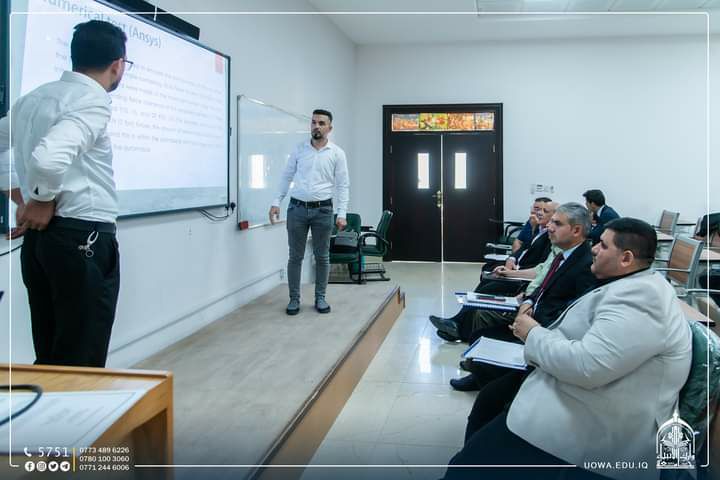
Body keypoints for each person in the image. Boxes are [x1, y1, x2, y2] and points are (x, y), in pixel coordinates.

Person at [443, 218, 692, 480]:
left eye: (603, 245)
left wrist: (532, 333)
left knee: (473, 458)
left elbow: (587, 367)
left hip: (594, 424)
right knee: (488, 409)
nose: (593, 249)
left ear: (626, 258)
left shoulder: (643, 299)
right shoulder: (631, 285)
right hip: (574, 393)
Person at [0, 20, 128, 367]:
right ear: (117, 64)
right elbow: (48, 158)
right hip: (82, 238)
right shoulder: (92, 100)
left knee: (51, 353)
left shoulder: (33, 98)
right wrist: (40, 199)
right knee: (82, 360)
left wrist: (22, 199)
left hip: (41, 243)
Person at [446, 203, 597, 391]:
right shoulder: (562, 254)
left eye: (557, 223)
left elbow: (572, 312)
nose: (549, 227)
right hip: (530, 312)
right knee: (480, 330)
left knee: (485, 331)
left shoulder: (584, 264)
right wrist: (528, 301)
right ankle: (479, 374)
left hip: (541, 329)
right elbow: (542, 285)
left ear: (576, 230)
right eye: (551, 222)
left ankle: (485, 377)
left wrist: (531, 325)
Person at [269, 109, 350, 315]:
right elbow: (286, 176)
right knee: (295, 257)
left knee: (322, 256)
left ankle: (320, 298)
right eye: (313, 122)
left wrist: (342, 213)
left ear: (329, 128)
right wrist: (276, 201)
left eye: (321, 123)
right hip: (297, 209)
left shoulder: (337, 153)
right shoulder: (299, 150)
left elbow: (343, 185)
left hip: (323, 210)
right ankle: (294, 299)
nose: (316, 126)